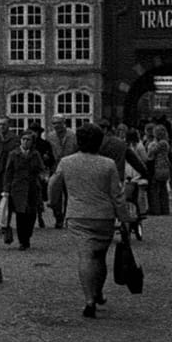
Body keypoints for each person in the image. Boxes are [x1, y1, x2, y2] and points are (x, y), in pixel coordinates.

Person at [47, 123, 127, 319]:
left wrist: (53, 202)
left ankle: (89, 299)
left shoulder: (67, 162)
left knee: (86, 256)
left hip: (78, 215)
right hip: (104, 216)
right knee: (100, 256)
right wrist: (124, 218)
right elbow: (117, 195)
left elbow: (53, 183)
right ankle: (98, 292)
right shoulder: (108, 164)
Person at [0, 129, 47, 250]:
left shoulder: (35, 154)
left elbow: (41, 169)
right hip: (18, 188)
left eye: (28, 140)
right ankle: (23, 241)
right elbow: (8, 172)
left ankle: (28, 235)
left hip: (32, 188)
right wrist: (6, 189)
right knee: (21, 214)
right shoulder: (13, 154)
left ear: (32, 142)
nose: (25, 142)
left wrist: (43, 177)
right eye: (23, 139)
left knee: (31, 215)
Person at [144, 122, 172, 218]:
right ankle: (164, 209)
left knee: (155, 189)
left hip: (159, 168)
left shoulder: (161, 143)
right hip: (165, 168)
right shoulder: (166, 142)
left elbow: (151, 154)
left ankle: (156, 209)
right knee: (163, 189)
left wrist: (150, 145)